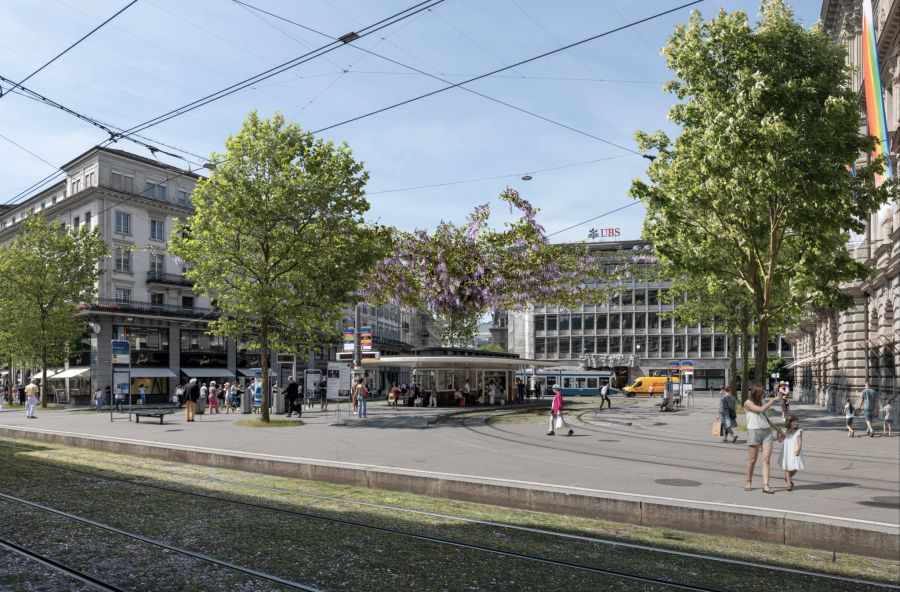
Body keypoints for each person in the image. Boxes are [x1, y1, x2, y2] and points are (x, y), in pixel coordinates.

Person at [743, 385, 784, 493]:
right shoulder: (747, 403)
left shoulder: (763, 401)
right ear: (756, 393)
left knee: (766, 459)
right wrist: (773, 400)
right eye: (762, 393)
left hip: (767, 432)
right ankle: (749, 481)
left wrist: (777, 429)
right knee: (752, 460)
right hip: (754, 432)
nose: (764, 394)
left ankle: (766, 485)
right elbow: (760, 410)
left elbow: (766, 418)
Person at [780, 415, 805, 491]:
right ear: (788, 423)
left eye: (796, 421)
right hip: (787, 451)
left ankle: (787, 478)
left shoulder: (799, 431)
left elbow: (800, 442)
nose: (795, 423)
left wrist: (798, 450)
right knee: (787, 466)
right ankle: (789, 484)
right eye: (793, 422)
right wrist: (778, 434)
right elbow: (780, 440)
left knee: (796, 466)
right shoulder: (785, 431)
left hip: (795, 450)